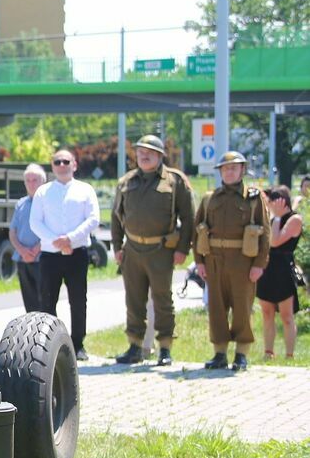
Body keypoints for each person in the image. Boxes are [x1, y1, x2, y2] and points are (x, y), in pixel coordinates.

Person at [109, 135, 194, 366]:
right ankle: (134, 346)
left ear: (159, 156)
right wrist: (117, 247)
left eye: (149, 152)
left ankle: (164, 348)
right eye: (140, 152)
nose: (143, 156)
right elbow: (116, 217)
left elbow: (188, 219)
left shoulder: (174, 181)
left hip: (161, 251)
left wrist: (182, 249)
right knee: (134, 300)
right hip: (133, 250)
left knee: (162, 300)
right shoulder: (126, 181)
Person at [192, 150, 271, 371]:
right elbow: (197, 231)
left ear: (242, 170)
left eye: (233, 168)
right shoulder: (210, 199)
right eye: (225, 169)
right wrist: (199, 261)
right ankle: (219, 353)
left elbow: (265, 235)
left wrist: (258, 265)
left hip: (243, 262)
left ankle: (241, 354)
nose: (229, 172)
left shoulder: (254, 200)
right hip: (215, 261)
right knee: (216, 308)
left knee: (242, 308)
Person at [29, 148, 99, 360]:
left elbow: (93, 219)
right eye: (57, 162)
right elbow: (35, 222)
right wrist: (57, 242)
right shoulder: (43, 191)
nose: (61, 165)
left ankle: (78, 344)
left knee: (78, 300)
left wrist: (70, 239)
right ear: (52, 166)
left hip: (77, 252)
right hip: (50, 255)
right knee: (47, 300)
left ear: (74, 165)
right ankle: (49, 344)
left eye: (65, 161)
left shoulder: (85, 190)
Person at [257, 185, 302, 360]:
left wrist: (276, 218)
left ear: (283, 201)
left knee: (286, 315)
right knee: (267, 312)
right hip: (267, 268)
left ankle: (289, 355)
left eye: (274, 201)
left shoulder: (294, 219)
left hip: (283, 269)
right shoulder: (268, 218)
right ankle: (269, 352)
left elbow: (275, 241)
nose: (271, 205)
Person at [7, 163, 46, 313]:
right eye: (28, 180)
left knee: (44, 301)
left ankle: (47, 334)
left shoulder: (47, 203)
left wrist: (36, 250)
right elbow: (12, 232)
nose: (31, 184)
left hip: (42, 259)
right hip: (22, 259)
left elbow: (52, 231)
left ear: (42, 182)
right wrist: (22, 251)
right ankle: (32, 334)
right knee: (29, 302)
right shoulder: (21, 204)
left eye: (34, 180)